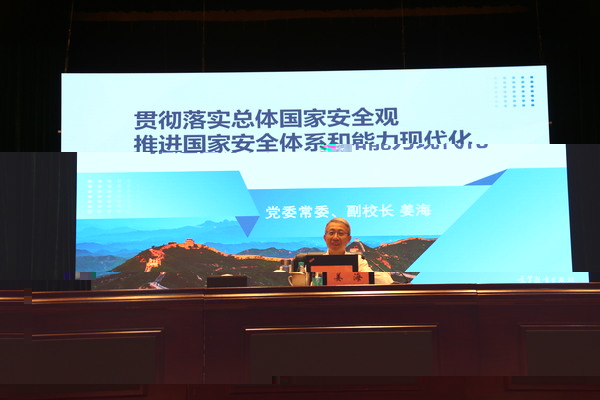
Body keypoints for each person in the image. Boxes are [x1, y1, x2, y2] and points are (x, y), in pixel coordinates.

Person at [323, 217, 394, 285]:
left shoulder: (357, 261)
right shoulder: (317, 262)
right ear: (325, 237)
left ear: (349, 239)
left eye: (340, 233)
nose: (335, 237)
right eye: (331, 233)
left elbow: (385, 280)